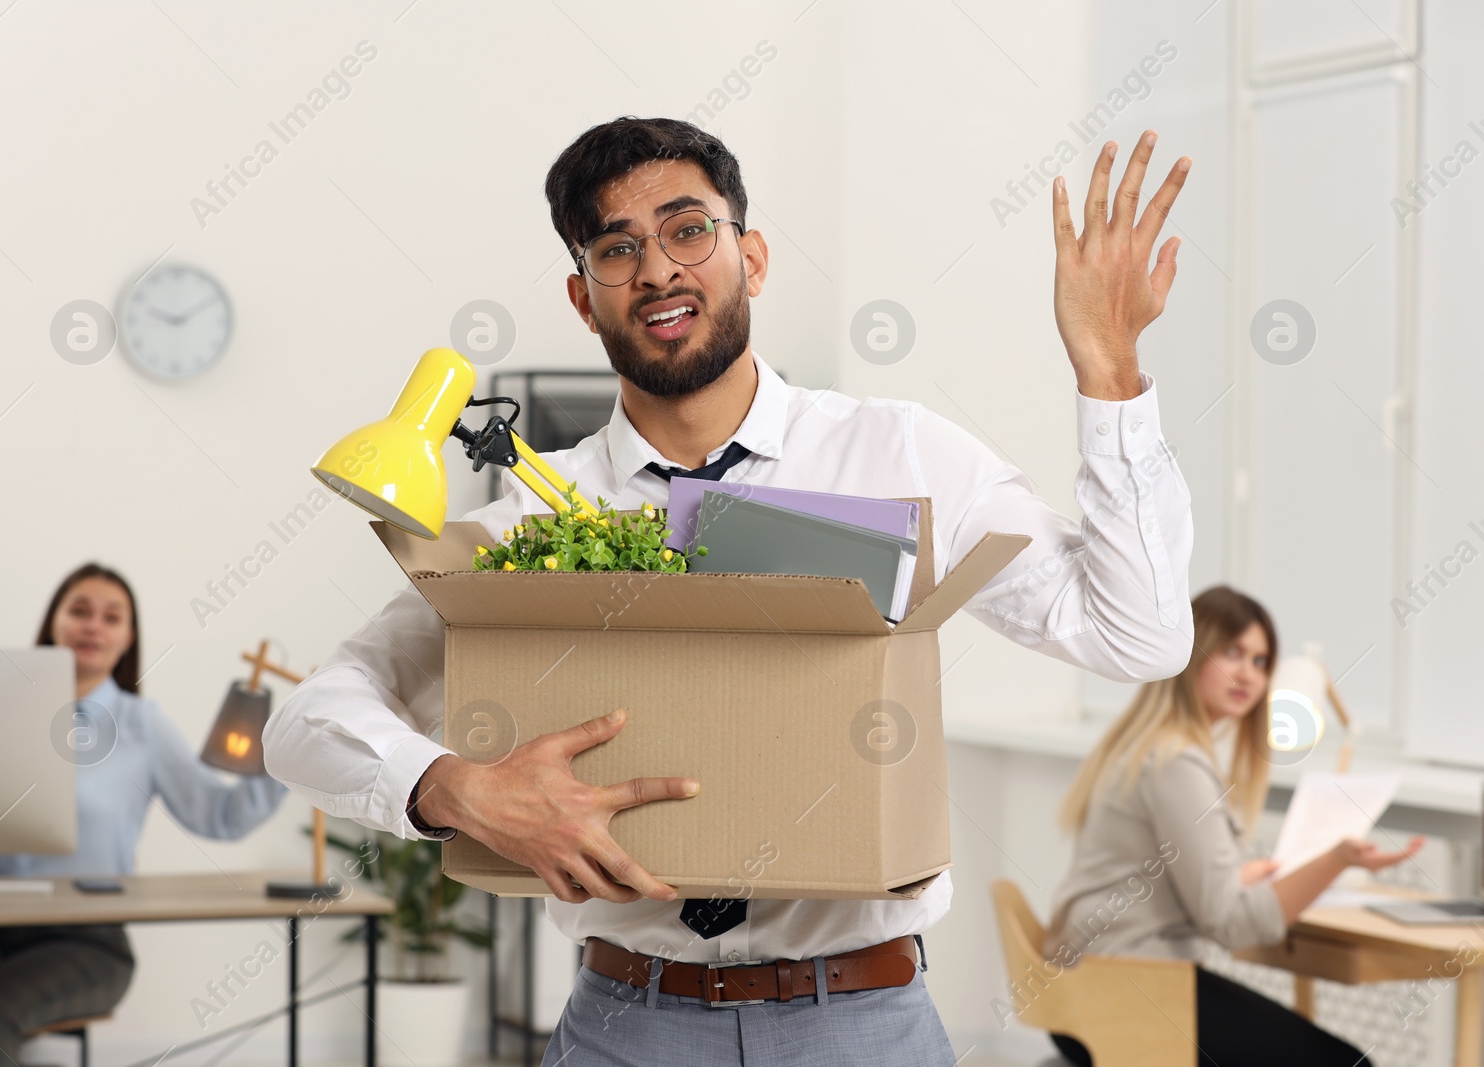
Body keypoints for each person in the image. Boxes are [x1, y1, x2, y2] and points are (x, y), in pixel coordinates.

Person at [263, 116, 1198, 1066]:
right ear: (585, 301)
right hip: (626, 1022)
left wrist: (1109, 373)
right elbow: (304, 724)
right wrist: (455, 788)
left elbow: (1140, 636)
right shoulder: (539, 517)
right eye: (617, 249)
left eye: (687, 230)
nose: (658, 269)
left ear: (750, 255)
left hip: (862, 1023)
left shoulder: (900, 453)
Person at [0, 563, 289, 1067]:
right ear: (53, 622)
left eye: (111, 617)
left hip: (90, 941)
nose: (93, 625)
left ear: (127, 638)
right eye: (79, 611)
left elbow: (220, 816)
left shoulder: (143, 726)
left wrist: (290, 750)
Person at [1044, 585, 1424, 1067]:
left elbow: (1157, 879)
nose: (1248, 673)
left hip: (1089, 987)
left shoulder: (1148, 745)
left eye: (1261, 662)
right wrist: (1337, 859)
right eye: (1232, 652)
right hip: (1129, 995)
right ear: (1192, 651)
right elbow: (1232, 926)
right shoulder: (1177, 763)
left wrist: (1237, 879)